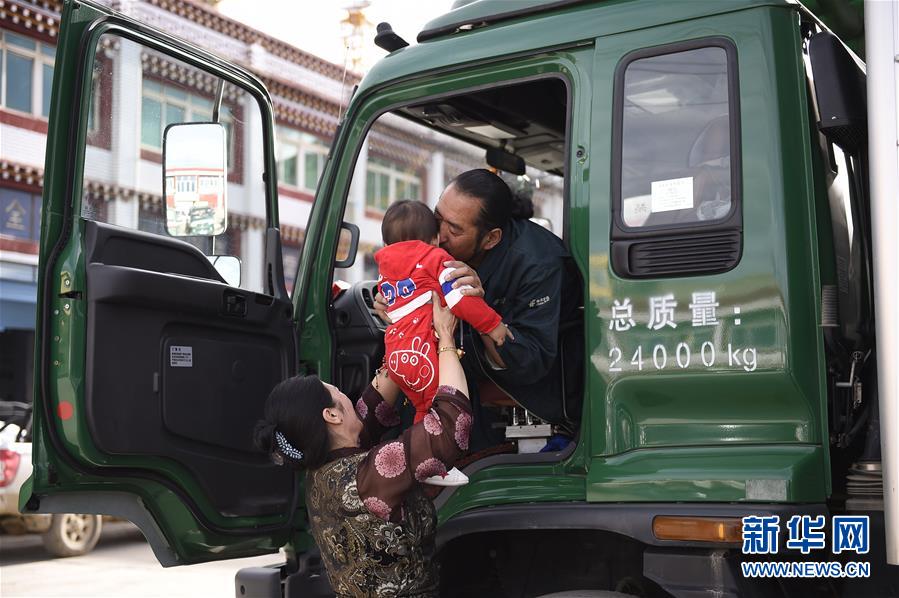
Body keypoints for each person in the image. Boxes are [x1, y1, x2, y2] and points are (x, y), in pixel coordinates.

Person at [254, 298, 469, 597]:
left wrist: (405, 330)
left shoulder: (323, 472)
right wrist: (445, 338)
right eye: (336, 391)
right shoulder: (371, 475)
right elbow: (451, 426)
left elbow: (376, 403)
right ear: (331, 415)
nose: (344, 393)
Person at [380, 169, 583, 448]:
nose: (439, 234)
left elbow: (528, 363)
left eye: (454, 230)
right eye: (437, 218)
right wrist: (396, 304)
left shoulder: (539, 264)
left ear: (491, 238)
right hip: (455, 368)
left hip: (525, 392)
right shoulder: (438, 251)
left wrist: (478, 308)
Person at [375, 200, 510, 485]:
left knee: (422, 412)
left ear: (386, 243)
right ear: (435, 239)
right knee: (443, 414)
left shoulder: (385, 270)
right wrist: (493, 325)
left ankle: (421, 463)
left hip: (396, 359)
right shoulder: (437, 260)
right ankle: (437, 466)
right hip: (425, 358)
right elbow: (461, 300)